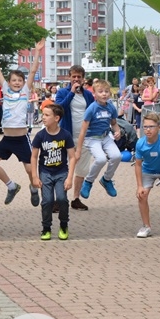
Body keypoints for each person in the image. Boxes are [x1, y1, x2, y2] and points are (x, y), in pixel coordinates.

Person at [0, 37, 40, 207]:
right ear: (8, 83)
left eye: (19, 81)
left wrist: (37, 51)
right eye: (14, 80)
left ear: (23, 83)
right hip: (7, 139)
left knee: (30, 169)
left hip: (22, 138)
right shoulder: (6, 90)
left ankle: (33, 188)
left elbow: (32, 71)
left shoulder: (25, 92)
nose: (17, 83)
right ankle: (12, 186)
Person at [30, 104, 75, 241]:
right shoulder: (40, 135)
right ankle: (46, 228)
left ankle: (63, 225)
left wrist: (70, 178)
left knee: (62, 199)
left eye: (47, 115)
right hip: (45, 172)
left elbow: (72, 157)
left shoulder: (65, 135)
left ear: (56, 118)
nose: (43, 117)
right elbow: (34, 156)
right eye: (43, 114)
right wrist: (34, 176)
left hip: (61, 172)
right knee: (47, 201)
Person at [55, 65, 96, 211]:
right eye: (74, 76)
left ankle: (76, 198)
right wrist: (72, 93)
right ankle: (60, 199)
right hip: (67, 135)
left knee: (82, 169)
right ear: (69, 77)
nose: (76, 79)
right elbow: (59, 109)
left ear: (83, 78)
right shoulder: (62, 92)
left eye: (79, 77)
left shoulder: (88, 95)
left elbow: (93, 112)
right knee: (63, 167)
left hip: (84, 136)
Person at [74, 79, 123, 199]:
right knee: (101, 159)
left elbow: (114, 123)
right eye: (100, 92)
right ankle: (88, 182)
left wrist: (117, 131)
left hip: (105, 137)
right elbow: (83, 130)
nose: (104, 94)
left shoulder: (111, 107)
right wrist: (78, 149)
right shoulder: (92, 108)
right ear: (94, 94)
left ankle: (106, 179)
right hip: (92, 138)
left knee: (117, 156)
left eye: (106, 91)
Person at [133, 111, 160, 240]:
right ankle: (146, 226)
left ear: (159, 127)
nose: (148, 130)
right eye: (145, 127)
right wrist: (139, 186)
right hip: (148, 171)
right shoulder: (140, 143)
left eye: (151, 127)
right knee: (142, 195)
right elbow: (138, 165)